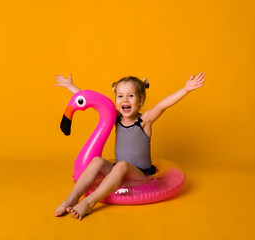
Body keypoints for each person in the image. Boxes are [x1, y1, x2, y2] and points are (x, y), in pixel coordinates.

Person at [53, 73, 206, 220]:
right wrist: (70, 87)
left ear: (140, 100)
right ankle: (72, 198)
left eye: (130, 96)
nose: (124, 100)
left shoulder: (144, 120)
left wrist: (185, 89)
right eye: (120, 96)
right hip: (120, 169)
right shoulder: (116, 118)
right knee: (97, 161)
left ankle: (88, 203)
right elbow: (94, 102)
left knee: (121, 165)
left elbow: (162, 105)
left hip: (141, 175)